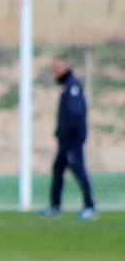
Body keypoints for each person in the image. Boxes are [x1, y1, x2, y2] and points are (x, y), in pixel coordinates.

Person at [39, 56, 97, 219]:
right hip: (66, 139)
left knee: (78, 169)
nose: (54, 73)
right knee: (58, 170)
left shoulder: (72, 86)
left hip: (72, 139)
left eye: (56, 69)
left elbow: (76, 114)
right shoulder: (67, 85)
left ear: (65, 68)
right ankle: (55, 207)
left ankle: (90, 207)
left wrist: (69, 134)